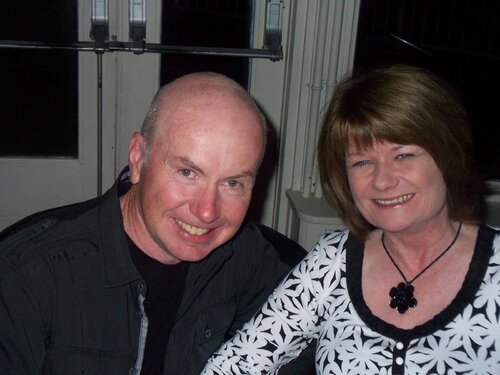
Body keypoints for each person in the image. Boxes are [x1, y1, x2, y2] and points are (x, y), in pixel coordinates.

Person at [0, 72, 314, 375]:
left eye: (232, 183)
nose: (207, 212)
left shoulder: (246, 259)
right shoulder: (25, 274)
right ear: (138, 158)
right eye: (188, 173)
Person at [201, 64, 500, 374]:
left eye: (404, 155)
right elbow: (235, 365)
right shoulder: (332, 262)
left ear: (448, 155)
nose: (382, 181)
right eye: (362, 162)